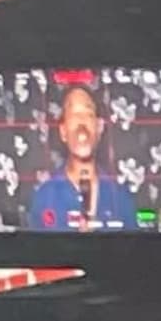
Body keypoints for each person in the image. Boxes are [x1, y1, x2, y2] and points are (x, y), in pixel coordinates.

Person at [27, 71, 113, 227]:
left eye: (88, 113)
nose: (81, 122)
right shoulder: (45, 197)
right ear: (63, 131)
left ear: (99, 127)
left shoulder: (119, 196)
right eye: (74, 114)